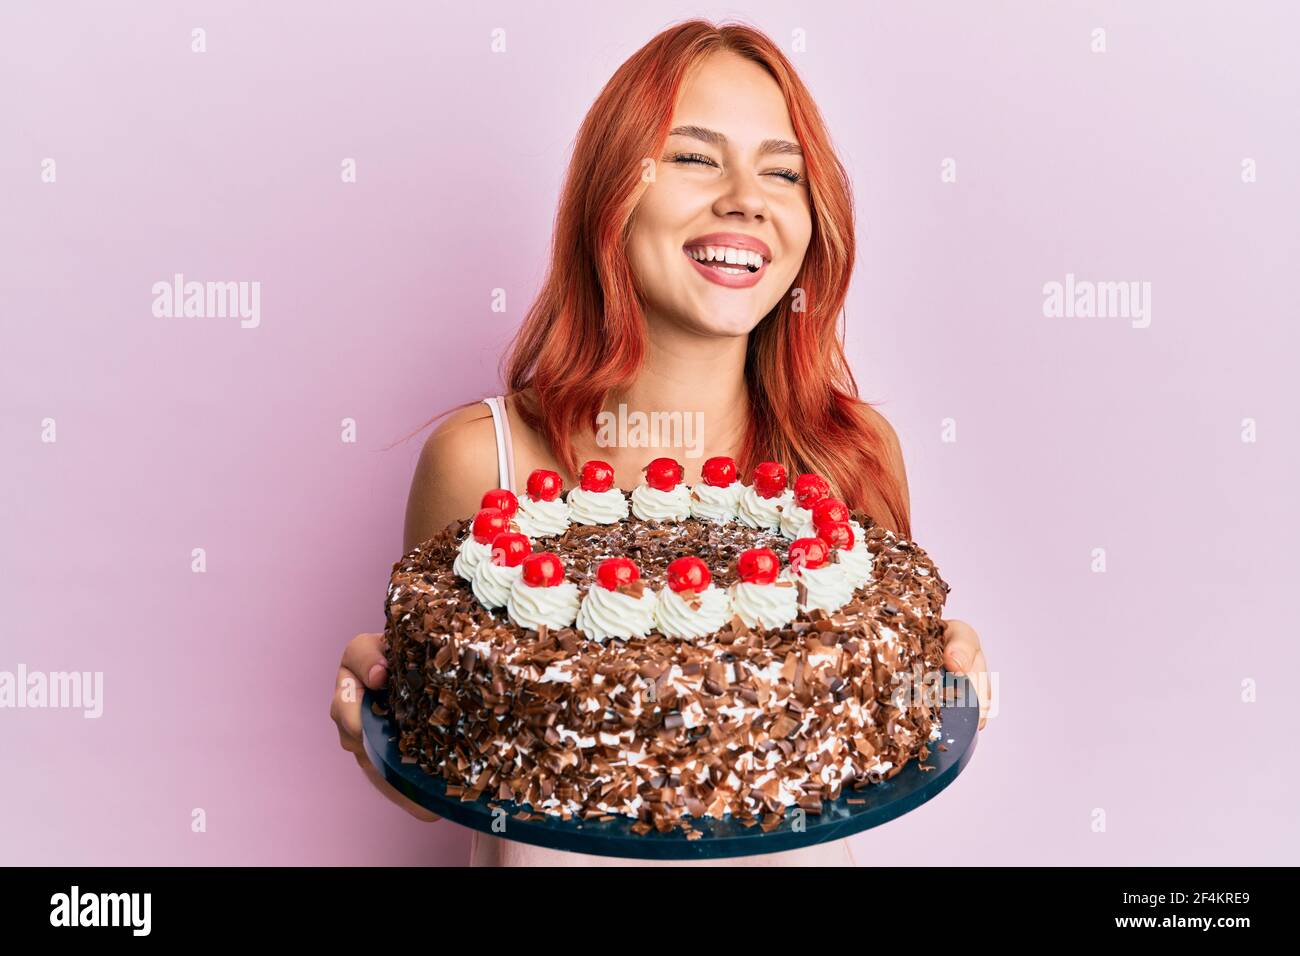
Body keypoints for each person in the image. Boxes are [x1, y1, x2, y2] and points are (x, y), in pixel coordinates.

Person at [330, 19, 991, 867]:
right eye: (694, 156)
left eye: (782, 172)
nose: (746, 197)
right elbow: (451, 768)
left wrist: (938, 678)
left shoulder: (850, 457)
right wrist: (383, 719)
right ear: (615, 192)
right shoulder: (480, 461)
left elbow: (876, 731)